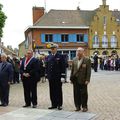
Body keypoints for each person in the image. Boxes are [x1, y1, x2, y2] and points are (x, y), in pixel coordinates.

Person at [70, 47, 91, 112]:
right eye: (77, 51)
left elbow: (88, 71)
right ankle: (77, 106)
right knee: (76, 93)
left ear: (83, 52)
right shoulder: (74, 59)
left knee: (84, 93)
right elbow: (72, 70)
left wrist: (87, 79)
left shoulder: (87, 60)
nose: (78, 52)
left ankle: (84, 107)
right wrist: (71, 78)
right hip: (75, 79)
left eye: (79, 51)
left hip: (83, 80)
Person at [46, 43, 66, 110]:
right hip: (51, 77)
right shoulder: (48, 57)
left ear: (56, 49)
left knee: (58, 91)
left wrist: (63, 76)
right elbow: (47, 67)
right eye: (51, 48)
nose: (52, 49)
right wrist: (46, 75)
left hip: (58, 77)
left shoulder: (60, 56)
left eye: (53, 48)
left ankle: (59, 104)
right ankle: (53, 104)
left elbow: (63, 67)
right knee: (52, 91)